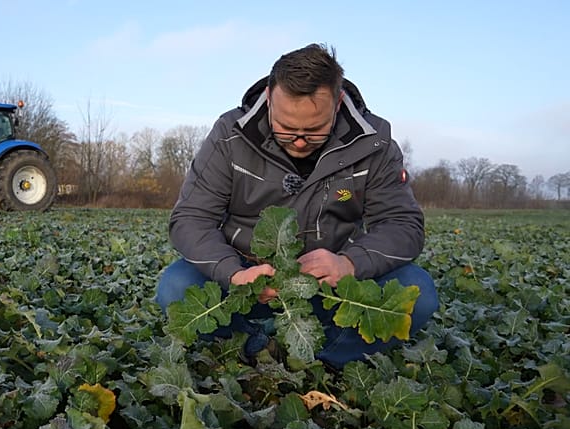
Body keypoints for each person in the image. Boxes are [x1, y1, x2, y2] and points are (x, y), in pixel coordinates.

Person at [155, 44, 439, 369]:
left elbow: (403, 224)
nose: (300, 140)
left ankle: (323, 359)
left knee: (418, 294)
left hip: (329, 288)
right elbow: (190, 218)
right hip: (250, 285)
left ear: (338, 103)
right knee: (176, 287)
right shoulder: (230, 136)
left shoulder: (374, 143)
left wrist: (349, 263)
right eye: (287, 128)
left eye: (314, 129)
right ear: (269, 98)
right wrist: (234, 273)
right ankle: (255, 347)